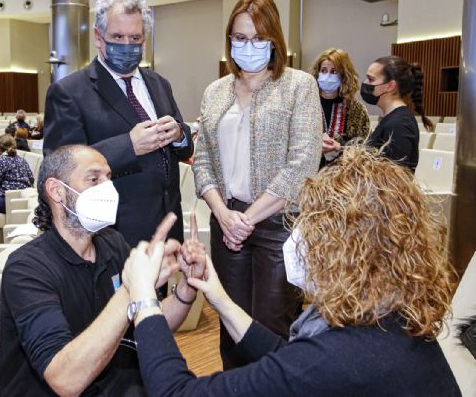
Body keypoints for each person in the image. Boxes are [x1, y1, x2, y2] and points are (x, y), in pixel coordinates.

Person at [124, 146, 460, 396]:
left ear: (342, 248)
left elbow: (175, 393)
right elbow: (290, 360)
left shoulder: (341, 356)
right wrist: (219, 296)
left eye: (308, 224)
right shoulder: (389, 319)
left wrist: (143, 299)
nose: (297, 236)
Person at [0, 144, 205, 396]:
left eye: (109, 178)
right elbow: (64, 380)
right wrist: (132, 287)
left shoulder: (112, 243)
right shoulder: (27, 269)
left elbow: (149, 321)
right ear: (57, 191)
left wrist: (186, 289)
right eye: (94, 179)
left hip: (114, 382)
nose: (108, 188)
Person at [191, 0, 321, 369]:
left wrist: (250, 217)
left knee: (271, 324)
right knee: (228, 321)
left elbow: (302, 163)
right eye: (239, 38)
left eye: (257, 38)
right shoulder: (215, 92)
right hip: (227, 221)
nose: (247, 46)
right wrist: (223, 213)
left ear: (274, 40)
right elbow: (203, 160)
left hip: (277, 224)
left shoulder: (299, 86)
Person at [43, 0, 193, 248]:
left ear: (144, 40)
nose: (127, 45)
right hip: (113, 236)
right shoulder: (69, 92)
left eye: (135, 37)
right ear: (98, 38)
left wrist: (179, 135)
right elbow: (59, 169)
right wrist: (128, 146)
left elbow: (183, 149)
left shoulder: (159, 84)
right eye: (117, 37)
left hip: (168, 229)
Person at [363, 55, 431, 172]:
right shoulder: (392, 119)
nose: (365, 83)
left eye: (371, 79)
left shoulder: (399, 125)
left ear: (390, 86)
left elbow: (394, 179)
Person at [310, 48, 369, 164]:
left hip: (341, 175)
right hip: (308, 174)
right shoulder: (306, 104)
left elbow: (363, 150)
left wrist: (340, 147)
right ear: (317, 73)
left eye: (334, 72)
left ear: (344, 75)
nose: (327, 76)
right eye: (323, 70)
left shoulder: (356, 109)